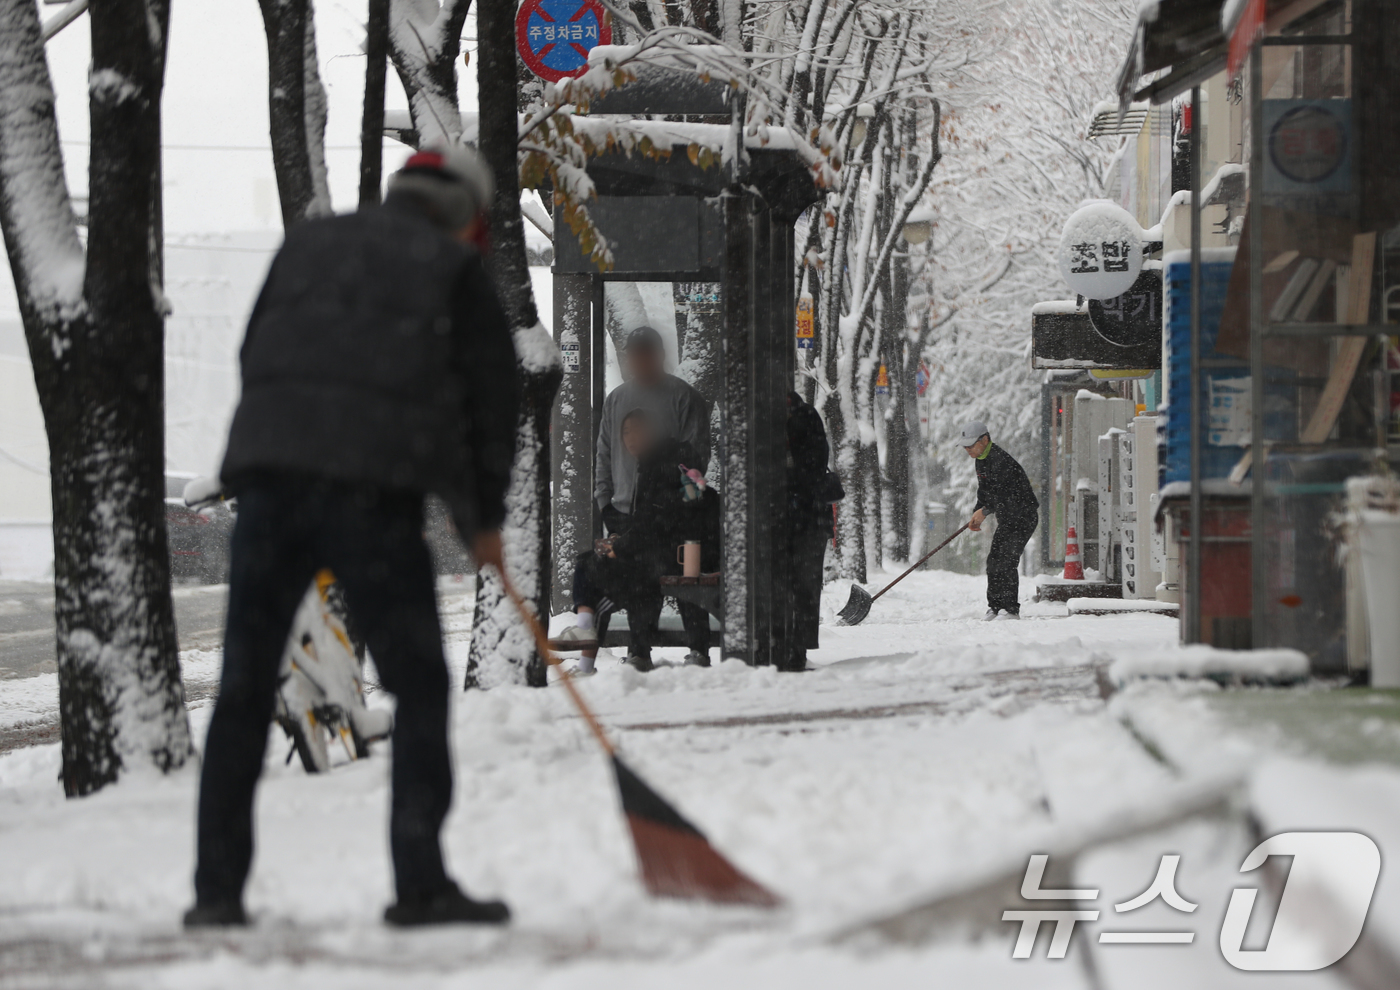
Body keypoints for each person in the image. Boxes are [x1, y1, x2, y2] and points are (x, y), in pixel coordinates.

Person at [184, 145, 519, 929]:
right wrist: (482, 521)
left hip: (267, 487)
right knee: (419, 682)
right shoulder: (452, 269)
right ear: (466, 216)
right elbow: (486, 406)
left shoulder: (308, 244)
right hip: (370, 498)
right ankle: (421, 882)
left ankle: (216, 894)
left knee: (241, 688)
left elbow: (255, 352)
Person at [559, 410, 715, 671]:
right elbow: (654, 520)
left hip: (676, 553)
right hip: (669, 551)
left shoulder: (663, 463)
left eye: (637, 430)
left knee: (596, 568)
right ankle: (627, 650)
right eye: (626, 433)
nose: (631, 438)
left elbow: (660, 520)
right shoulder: (657, 462)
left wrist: (619, 547)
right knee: (596, 565)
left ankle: (596, 652)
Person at [958, 421, 1038, 620]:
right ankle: (995, 607)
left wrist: (984, 511)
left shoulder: (1000, 461)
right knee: (994, 560)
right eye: (965, 446)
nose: (967, 449)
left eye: (970, 445)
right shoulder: (981, 460)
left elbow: (1004, 494)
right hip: (1008, 516)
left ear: (984, 440)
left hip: (1023, 516)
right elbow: (985, 491)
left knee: (1006, 560)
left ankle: (1010, 609)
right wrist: (977, 511)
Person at [784, 392, 836, 671]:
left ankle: (798, 646)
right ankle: (787, 643)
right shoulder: (759, 413)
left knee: (804, 582)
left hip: (808, 516)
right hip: (788, 515)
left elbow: (816, 462)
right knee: (794, 581)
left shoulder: (806, 416)